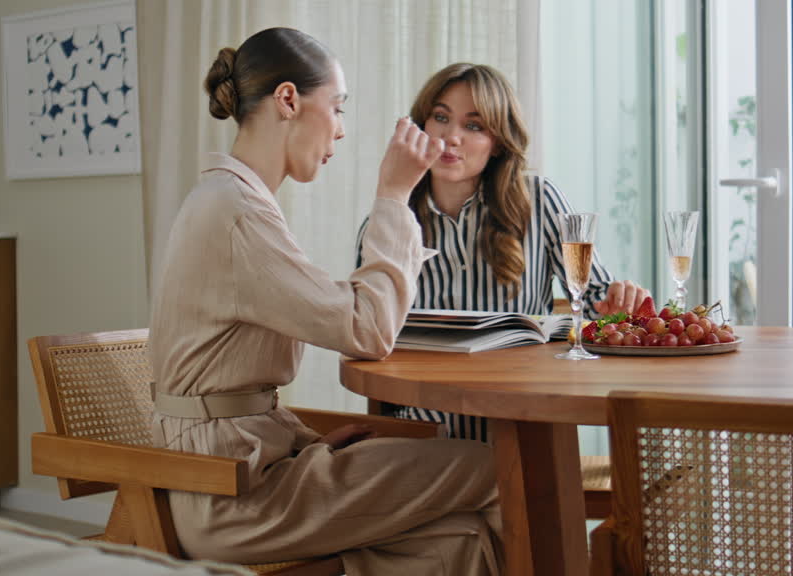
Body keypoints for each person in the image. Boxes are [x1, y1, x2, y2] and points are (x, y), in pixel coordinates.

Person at [148, 28, 503, 575]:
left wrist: (302, 442)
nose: (340, 128)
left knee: (463, 538)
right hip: (231, 493)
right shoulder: (235, 212)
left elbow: (231, 386)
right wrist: (394, 195)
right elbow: (366, 329)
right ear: (288, 100)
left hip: (253, 466)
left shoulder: (234, 201)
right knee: (500, 471)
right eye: (336, 108)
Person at [357, 63, 651, 441]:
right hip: (422, 435)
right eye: (441, 118)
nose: (451, 137)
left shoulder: (538, 200)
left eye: (474, 126)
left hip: (521, 430)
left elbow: (594, 301)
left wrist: (619, 304)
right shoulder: (390, 220)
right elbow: (365, 333)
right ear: (420, 127)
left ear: (497, 142)